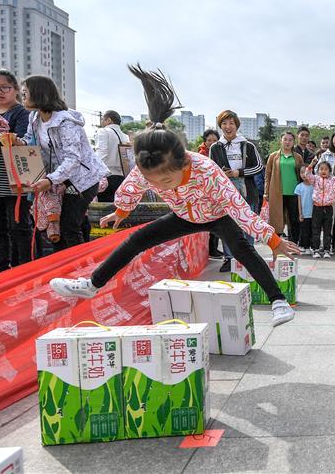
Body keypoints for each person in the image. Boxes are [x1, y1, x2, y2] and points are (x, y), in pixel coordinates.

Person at [49, 65, 298, 327]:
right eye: (154, 181)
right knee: (137, 239)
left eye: (167, 180)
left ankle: (278, 301)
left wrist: (271, 239)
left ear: (183, 163)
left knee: (242, 249)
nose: (162, 186)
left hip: (216, 215)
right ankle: (92, 284)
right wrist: (121, 211)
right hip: (183, 216)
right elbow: (131, 187)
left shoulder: (206, 170)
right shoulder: (146, 168)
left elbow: (240, 208)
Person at [15, 75, 109, 251]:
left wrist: (50, 180)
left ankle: (79, 270)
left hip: (81, 180)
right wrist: (18, 142)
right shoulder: (34, 118)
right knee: (56, 226)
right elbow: (31, 140)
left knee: (69, 226)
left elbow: (73, 158)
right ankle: (64, 268)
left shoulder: (66, 122)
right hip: (58, 179)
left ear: (39, 93)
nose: (23, 97)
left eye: (25, 93)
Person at [0, 69, 32, 273]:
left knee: (19, 227)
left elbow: (17, 142)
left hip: (13, 180)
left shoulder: (21, 113)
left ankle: (23, 270)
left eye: (5, 87)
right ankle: (1, 269)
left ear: (16, 89)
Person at [209, 109, 264, 272]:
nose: (228, 126)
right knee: (229, 227)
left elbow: (259, 167)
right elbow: (211, 169)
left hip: (248, 192)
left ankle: (249, 258)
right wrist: (222, 174)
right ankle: (229, 258)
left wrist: (238, 173)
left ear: (237, 125)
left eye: (231, 123)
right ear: (220, 126)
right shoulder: (215, 147)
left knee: (248, 225)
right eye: (224, 123)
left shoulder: (247, 145)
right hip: (226, 194)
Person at [302, 160, 335, 258]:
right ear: (318, 170)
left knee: (327, 230)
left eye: (326, 169)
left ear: (329, 171)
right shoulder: (315, 179)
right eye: (321, 169)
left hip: (328, 207)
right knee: (316, 229)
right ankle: (316, 249)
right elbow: (307, 175)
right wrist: (311, 165)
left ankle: (326, 250)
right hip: (317, 207)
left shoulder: (333, 180)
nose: (323, 171)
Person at [264, 131, 303, 243]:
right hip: (277, 192)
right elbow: (267, 174)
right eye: (285, 139)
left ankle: (293, 243)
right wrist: (266, 192)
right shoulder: (273, 156)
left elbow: (302, 174)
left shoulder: (298, 157)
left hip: (294, 193)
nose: (287, 142)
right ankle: (277, 244)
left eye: (290, 140)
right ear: (280, 141)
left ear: (294, 142)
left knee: (293, 219)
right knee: (276, 219)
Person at [94, 110, 131, 202]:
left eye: (103, 119)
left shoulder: (103, 131)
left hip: (106, 177)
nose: (101, 122)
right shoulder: (125, 136)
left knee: (103, 210)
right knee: (116, 207)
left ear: (109, 120)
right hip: (122, 178)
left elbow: (101, 153)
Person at [198, 129, 223, 258]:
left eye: (214, 140)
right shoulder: (201, 154)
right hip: (204, 192)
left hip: (216, 190)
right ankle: (209, 250)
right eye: (209, 140)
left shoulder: (220, 152)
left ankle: (213, 248)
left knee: (216, 220)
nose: (211, 142)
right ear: (205, 141)